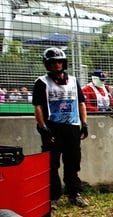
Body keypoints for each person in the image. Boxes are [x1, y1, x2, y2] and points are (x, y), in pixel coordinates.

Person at [32, 47, 89, 208]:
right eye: (53, 63)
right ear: (47, 65)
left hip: (72, 126)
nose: (57, 65)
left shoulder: (73, 81)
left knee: (73, 161)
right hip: (52, 127)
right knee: (51, 163)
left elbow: (81, 103)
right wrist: (42, 126)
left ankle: (74, 193)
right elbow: (38, 107)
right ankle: (53, 197)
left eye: (59, 62)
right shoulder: (41, 83)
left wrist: (84, 123)